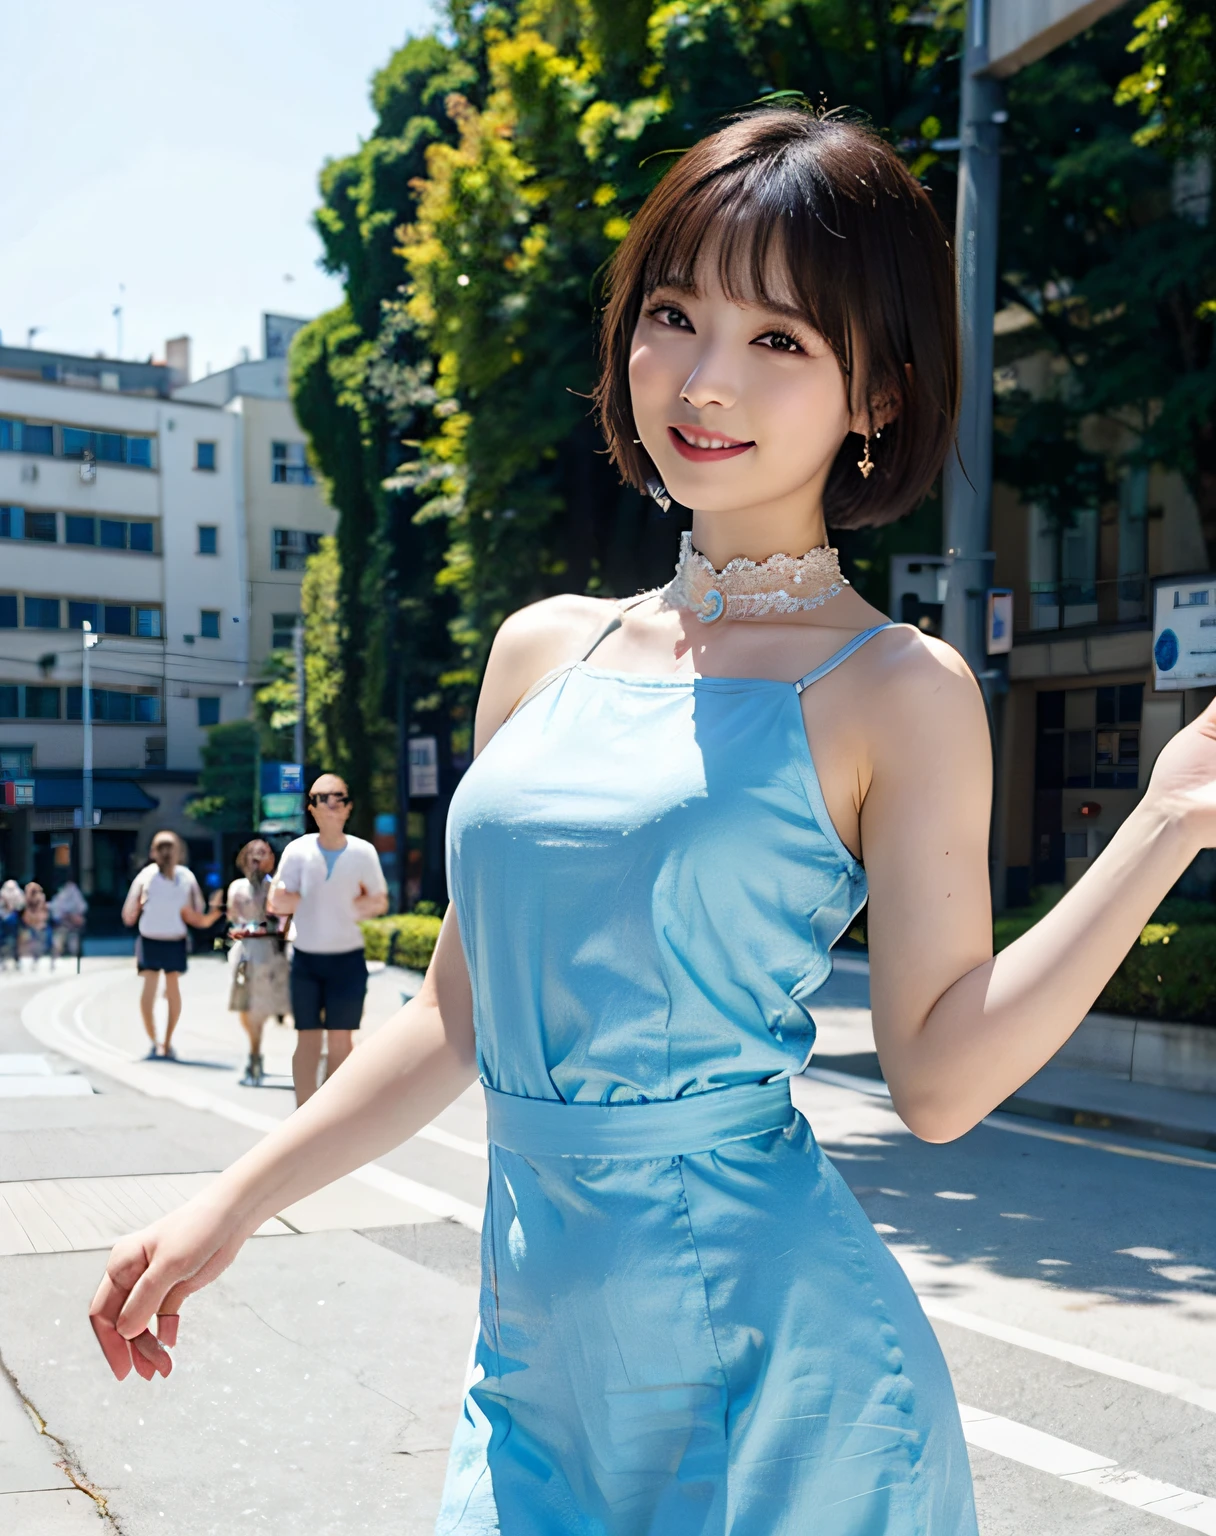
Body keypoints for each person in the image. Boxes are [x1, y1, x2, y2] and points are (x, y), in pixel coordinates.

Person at [86, 107, 1216, 1531]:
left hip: (782, 1387)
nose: (705, 379)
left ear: (877, 395)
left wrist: (1162, 822)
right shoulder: (540, 651)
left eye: (780, 342)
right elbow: (454, 1018)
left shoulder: (898, 689)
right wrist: (227, 1205)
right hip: (536, 1376)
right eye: (676, 315)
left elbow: (937, 1077)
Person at [265, 775, 388, 1105]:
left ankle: (331, 1113)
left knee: (341, 1041)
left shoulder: (363, 852)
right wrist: (288, 900)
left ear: (348, 807)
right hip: (306, 959)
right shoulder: (297, 850)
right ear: (311, 808)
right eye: (322, 798)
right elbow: (275, 901)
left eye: (339, 798)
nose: (331, 804)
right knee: (307, 1039)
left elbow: (380, 899)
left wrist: (365, 905)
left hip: (347, 959)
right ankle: (304, 1113)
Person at [192, 839, 291, 1087]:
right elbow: (233, 919)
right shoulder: (237, 888)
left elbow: (284, 919)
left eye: (263, 853)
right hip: (244, 952)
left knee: (261, 1005)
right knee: (245, 1006)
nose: (257, 858)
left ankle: (255, 1055)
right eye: (253, 853)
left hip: (269, 952)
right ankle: (254, 1048)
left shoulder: (276, 887)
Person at [120, 832, 219, 1060]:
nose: (166, 852)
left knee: (172, 988)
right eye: (161, 847)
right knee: (150, 988)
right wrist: (140, 907)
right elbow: (128, 913)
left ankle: (166, 1041)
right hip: (150, 939)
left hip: (175, 939)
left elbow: (197, 909)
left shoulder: (185, 877)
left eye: (169, 847)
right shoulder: (147, 876)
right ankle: (155, 1041)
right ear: (153, 852)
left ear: (178, 852)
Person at [49, 880, 88, 963]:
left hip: (73, 927)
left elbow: (83, 909)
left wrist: (74, 917)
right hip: (61, 926)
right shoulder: (59, 897)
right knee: (58, 941)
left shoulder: (75, 894)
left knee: (74, 946)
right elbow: (55, 912)